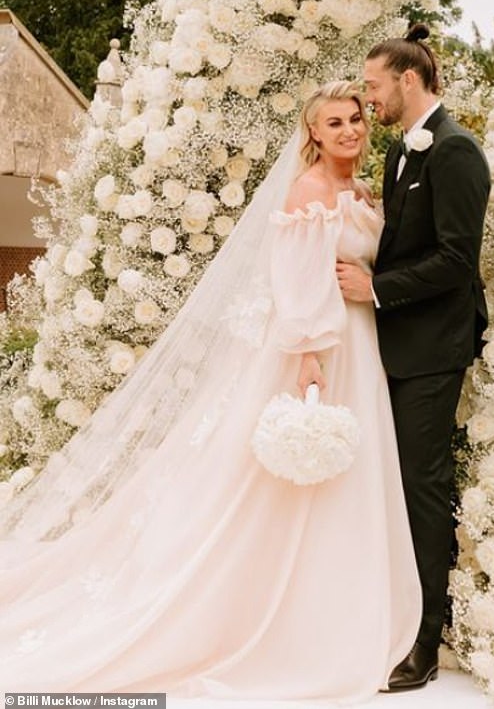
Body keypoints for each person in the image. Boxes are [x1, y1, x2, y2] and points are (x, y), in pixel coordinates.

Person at [0, 81, 421, 702]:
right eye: (333, 124)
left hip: (362, 340)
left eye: (355, 119)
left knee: (346, 480)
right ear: (313, 134)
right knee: (281, 483)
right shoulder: (307, 191)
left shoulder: (359, 191)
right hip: (323, 349)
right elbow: (296, 280)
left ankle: (330, 607)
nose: (349, 131)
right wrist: (308, 357)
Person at [337, 25, 490, 691]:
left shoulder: (455, 151)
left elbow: (456, 259)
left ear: (408, 79)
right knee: (396, 487)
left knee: (423, 490)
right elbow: (409, 239)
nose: (368, 100)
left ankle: (425, 643)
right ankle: (397, 616)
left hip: (432, 350)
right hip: (394, 349)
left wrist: (374, 287)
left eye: (373, 87)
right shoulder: (403, 149)